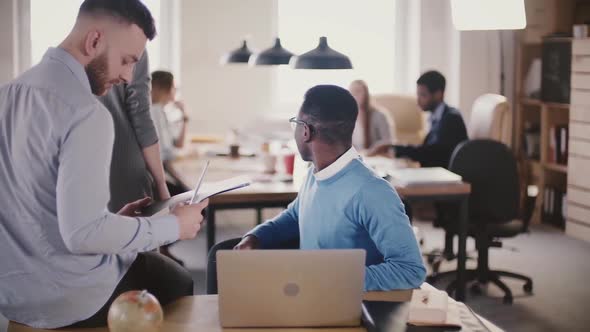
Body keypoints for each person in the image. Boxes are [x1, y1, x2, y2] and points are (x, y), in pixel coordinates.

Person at [0, 0, 208, 328]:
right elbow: (83, 235)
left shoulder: (7, 94)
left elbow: (31, 205)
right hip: (68, 298)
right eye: (126, 62)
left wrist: (115, 221)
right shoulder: (86, 112)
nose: (127, 77)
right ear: (94, 41)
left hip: (12, 295)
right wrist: (174, 227)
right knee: (177, 280)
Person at [234, 85, 426, 291]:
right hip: (307, 293)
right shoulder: (314, 173)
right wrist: (256, 237)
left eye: (295, 124)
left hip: (345, 309)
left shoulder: (372, 192)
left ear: (305, 131)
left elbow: (410, 269)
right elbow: (295, 216)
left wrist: (329, 280)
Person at [373, 70, 468, 168]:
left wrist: (395, 148)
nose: (417, 100)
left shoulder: (451, 119)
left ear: (438, 94)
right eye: (417, 94)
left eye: (423, 95)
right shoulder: (436, 117)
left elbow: (432, 153)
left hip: (444, 177)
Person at [150, 70, 190, 196]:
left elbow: (178, 144)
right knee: (193, 195)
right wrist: (187, 154)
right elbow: (168, 153)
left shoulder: (160, 111)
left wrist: (185, 116)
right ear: (165, 88)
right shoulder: (155, 112)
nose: (175, 92)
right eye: (174, 88)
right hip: (156, 181)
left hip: (160, 175)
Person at [348, 80, 394, 155]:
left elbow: (388, 141)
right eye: (352, 92)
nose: (355, 94)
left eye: (358, 91)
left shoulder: (379, 115)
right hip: (354, 157)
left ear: (366, 94)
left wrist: (373, 150)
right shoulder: (345, 117)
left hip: (375, 157)